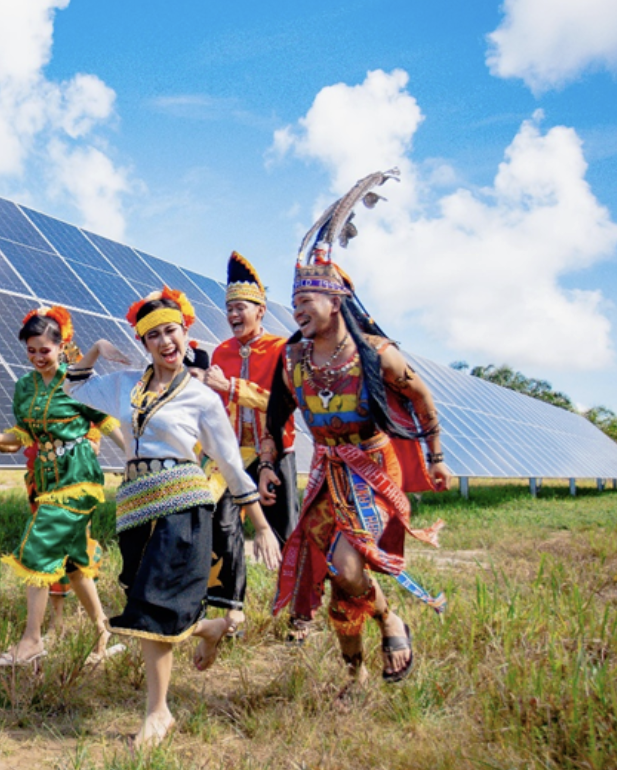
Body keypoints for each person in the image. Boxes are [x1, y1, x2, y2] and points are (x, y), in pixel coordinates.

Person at [263, 170, 454, 694]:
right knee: (336, 575)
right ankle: (356, 670)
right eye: (294, 303)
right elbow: (275, 416)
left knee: (348, 565)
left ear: (336, 301)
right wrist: (267, 464)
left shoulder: (377, 355)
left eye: (307, 300)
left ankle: (389, 619)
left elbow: (422, 397)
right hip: (325, 474)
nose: (297, 310)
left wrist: (436, 456)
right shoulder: (293, 360)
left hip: (371, 469)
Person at [66, 287, 282, 749]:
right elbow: (73, 386)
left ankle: (158, 712)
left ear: (186, 334)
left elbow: (230, 464)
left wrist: (261, 526)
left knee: (152, 606)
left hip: (184, 508)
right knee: (148, 605)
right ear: (144, 342)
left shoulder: (202, 398)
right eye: (155, 335)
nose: (166, 342)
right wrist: (97, 349)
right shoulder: (124, 385)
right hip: (135, 508)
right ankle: (210, 627)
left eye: (172, 331)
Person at [0, 306, 125, 667]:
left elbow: (105, 421)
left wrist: (132, 455)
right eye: (31, 351)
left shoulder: (77, 380)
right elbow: (22, 434)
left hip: (78, 478)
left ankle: (32, 640)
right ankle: (102, 633)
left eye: (45, 350)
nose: (38, 357)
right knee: (74, 562)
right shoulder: (25, 386)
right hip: (45, 479)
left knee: (37, 548)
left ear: (61, 346)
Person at [200, 251, 299, 636]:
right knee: (222, 524)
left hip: (275, 452)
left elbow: (283, 403)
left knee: (285, 530)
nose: (233, 314)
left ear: (260, 310)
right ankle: (231, 613)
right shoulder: (222, 352)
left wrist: (233, 388)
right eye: (229, 309)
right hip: (233, 455)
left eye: (240, 307)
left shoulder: (280, 349)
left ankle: (297, 614)